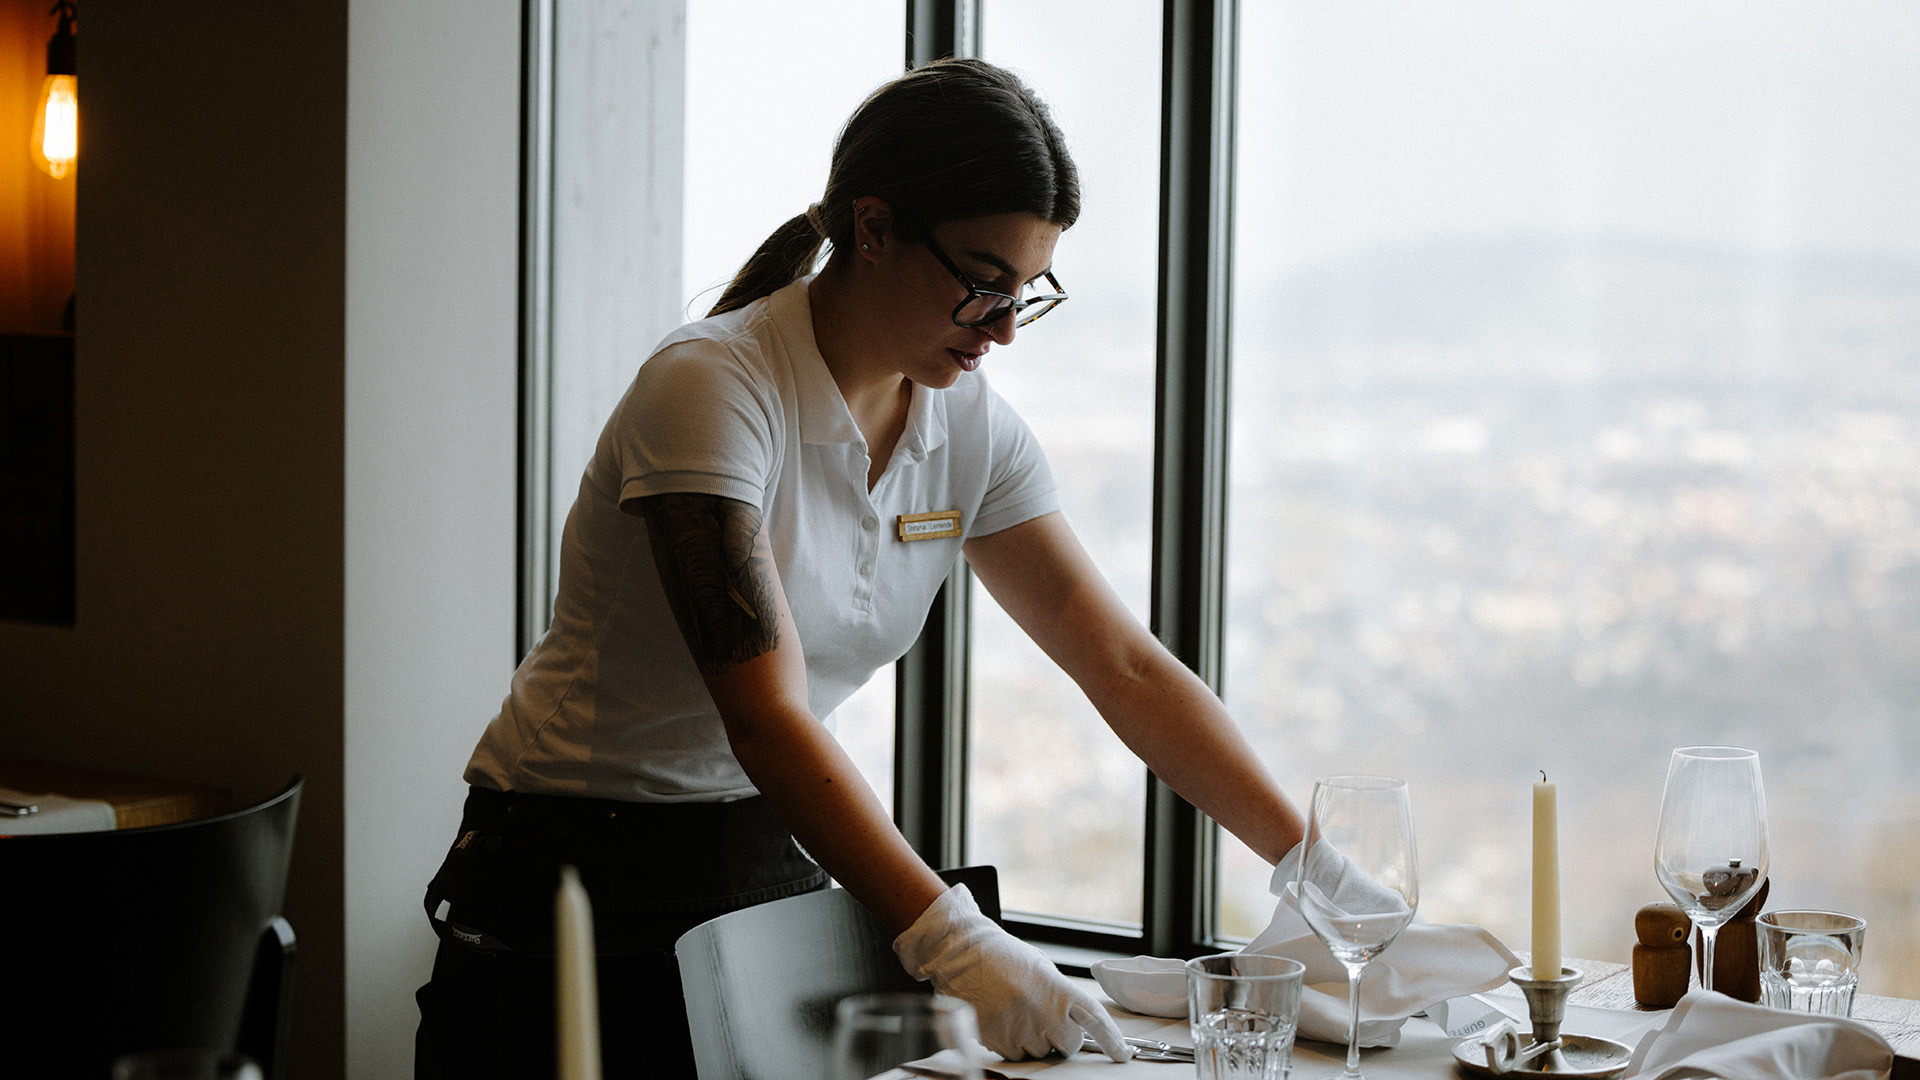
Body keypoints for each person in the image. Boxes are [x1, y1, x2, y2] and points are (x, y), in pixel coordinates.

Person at [414, 57, 1306, 1079]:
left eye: (1026, 293)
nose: (1004, 329)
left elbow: (1124, 665)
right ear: (873, 228)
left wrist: (1311, 868)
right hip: (574, 874)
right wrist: (953, 938)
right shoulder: (712, 388)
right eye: (983, 284)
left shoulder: (968, 426)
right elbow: (767, 715)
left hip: (770, 858)